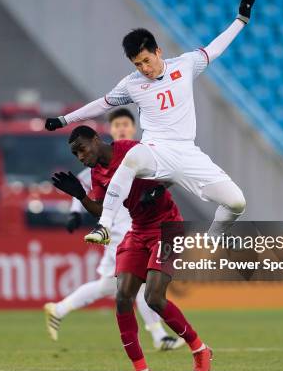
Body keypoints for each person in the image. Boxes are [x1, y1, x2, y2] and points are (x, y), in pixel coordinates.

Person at [45, 0, 256, 246]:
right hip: (155, 150)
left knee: (236, 202)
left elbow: (215, 48)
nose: (144, 68)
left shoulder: (185, 65)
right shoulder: (131, 85)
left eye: (146, 60)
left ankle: (211, 241)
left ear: (158, 51)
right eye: (137, 64)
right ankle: (104, 226)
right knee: (133, 157)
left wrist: (241, 19)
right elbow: (102, 103)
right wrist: (64, 120)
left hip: (187, 153)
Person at [52, 125, 212, 371]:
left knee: (153, 298)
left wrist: (159, 188)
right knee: (123, 296)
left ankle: (199, 348)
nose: (80, 157)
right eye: (75, 155)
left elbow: (173, 166)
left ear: (95, 139)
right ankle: (141, 370)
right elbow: (104, 212)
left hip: (167, 227)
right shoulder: (97, 173)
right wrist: (81, 196)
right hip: (138, 231)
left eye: (82, 149)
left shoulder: (129, 150)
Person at [44, 109, 184, 351]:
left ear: (131, 129)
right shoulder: (94, 166)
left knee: (112, 286)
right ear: (108, 131)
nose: (121, 129)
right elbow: (84, 190)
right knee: (137, 282)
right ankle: (159, 336)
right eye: (116, 125)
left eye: (125, 125)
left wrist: (158, 189)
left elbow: (166, 170)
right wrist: (74, 211)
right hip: (119, 230)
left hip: (137, 225)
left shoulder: (135, 151)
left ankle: (59, 309)